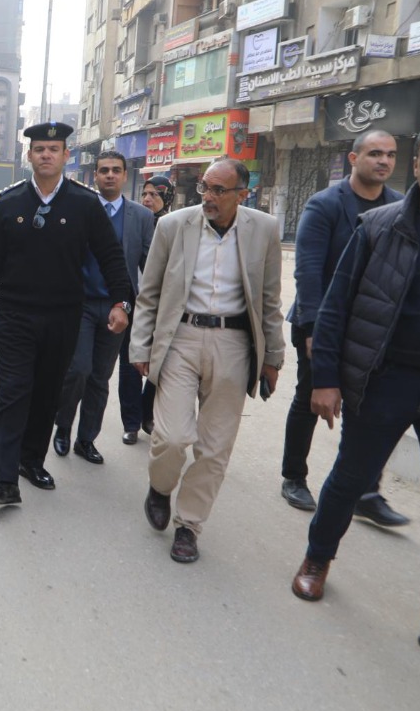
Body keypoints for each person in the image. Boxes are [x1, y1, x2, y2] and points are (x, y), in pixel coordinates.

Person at [290, 120, 420, 659]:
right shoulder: (379, 226)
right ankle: (317, 558)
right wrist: (326, 379)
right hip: (386, 380)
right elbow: (334, 305)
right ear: (417, 167)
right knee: (350, 478)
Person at [131, 158, 285, 564]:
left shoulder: (264, 229)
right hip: (180, 338)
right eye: (205, 188)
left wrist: (273, 356)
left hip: (234, 344)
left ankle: (189, 525)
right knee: (172, 437)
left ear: (242, 194)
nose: (208, 197)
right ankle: (160, 487)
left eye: (219, 190)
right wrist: (140, 347)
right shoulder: (173, 226)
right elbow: (149, 293)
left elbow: (269, 300)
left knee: (215, 447)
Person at [0, 122, 132, 506]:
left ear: (65, 155)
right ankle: (5, 481)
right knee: (14, 392)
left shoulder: (84, 203)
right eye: (40, 149)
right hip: (15, 315)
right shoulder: (10, 202)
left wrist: (121, 302)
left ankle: (31, 461)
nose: (46, 154)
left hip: (63, 317)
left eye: (53, 149)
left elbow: (111, 256)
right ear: (29, 155)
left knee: (47, 394)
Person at [280, 130, 408, 524]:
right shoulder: (325, 205)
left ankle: (366, 490)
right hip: (321, 321)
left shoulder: (399, 206)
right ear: (354, 159)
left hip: (372, 327)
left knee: (373, 409)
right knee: (310, 398)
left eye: (390, 155)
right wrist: (313, 331)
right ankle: (294, 476)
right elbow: (308, 272)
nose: (384, 161)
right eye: (375, 153)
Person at [53, 151, 154, 464]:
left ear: (125, 176)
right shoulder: (79, 210)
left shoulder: (141, 217)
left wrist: (147, 312)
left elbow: (150, 267)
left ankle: (86, 439)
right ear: (94, 176)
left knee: (100, 377)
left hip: (118, 308)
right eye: (104, 170)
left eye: (116, 170)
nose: (110, 175)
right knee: (78, 369)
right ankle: (63, 425)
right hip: (80, 305)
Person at [118, 174, 173, 441]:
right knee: (130, 364)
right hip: (135, 303)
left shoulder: (176, 226)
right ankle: (131, 423)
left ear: (167, 198)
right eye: (145, 194)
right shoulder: (135, 222)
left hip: (166, 309)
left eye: (155, 195)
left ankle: (147, 413)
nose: (148, 199)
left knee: (160, 364)